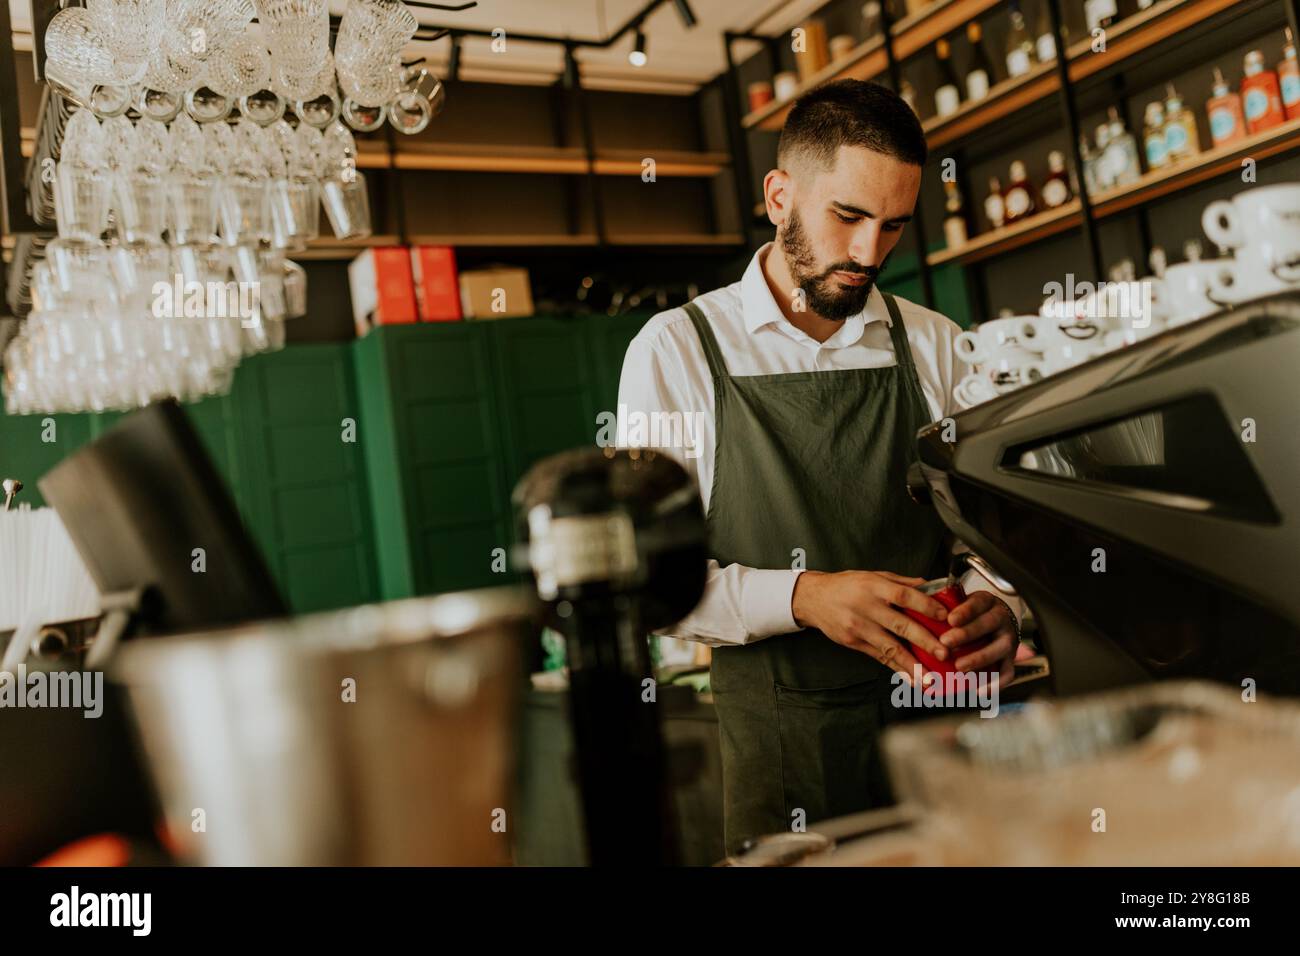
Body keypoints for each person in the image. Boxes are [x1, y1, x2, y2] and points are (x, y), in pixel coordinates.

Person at [616, 79, 1022, 856]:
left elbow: (992, 534)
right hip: (785, 752)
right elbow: (653, 584)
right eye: (848, 217)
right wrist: (803, 596)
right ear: (779, 195)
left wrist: (997, 601)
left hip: (942, 738)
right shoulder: (673, 351)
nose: (870, 253)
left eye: (894, 225)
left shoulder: (938, 344)